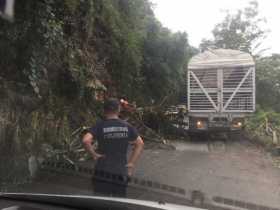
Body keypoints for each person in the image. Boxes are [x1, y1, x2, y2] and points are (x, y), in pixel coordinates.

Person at [82, 98, 144, 197]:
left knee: (101, 202)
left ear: (104, 110)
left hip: (102, 171)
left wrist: (94, 154)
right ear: (119, 109)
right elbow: (140, 143)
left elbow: (86, 140)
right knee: (118, 202)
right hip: (120, 171)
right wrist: (131, 163)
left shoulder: (99, 125)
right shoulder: (127, 126)